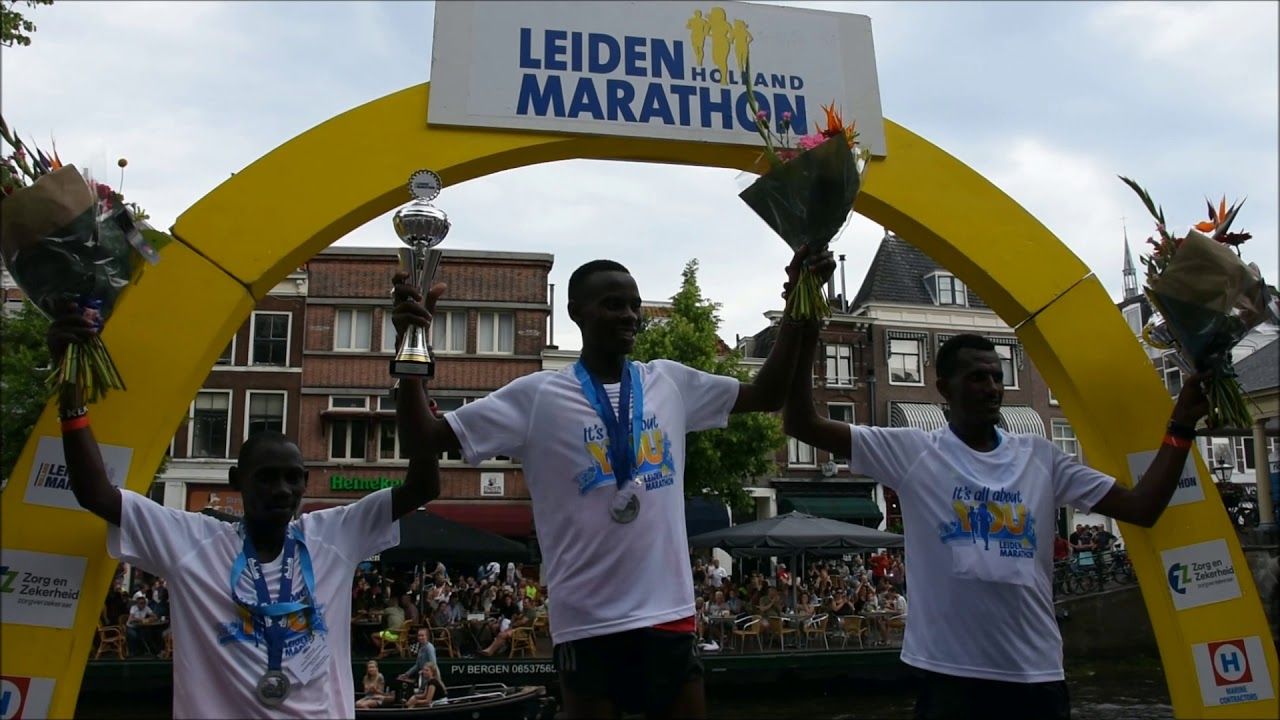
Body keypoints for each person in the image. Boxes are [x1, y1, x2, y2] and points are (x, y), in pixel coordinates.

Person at [391, 249, 834, 719]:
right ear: (576, 312)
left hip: (669, 614)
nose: (628, 315)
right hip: (587, 622)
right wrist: (410, 344)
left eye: (634, 304)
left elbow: (768, 393)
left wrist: (799, 306)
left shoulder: (669, 383)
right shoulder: (537, 397)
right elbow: (423, 437)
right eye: (612, 304)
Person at [783, 331, 1209, 720]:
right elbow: (802, 424)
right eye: (976, 377)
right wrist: (803, 326)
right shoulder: (914, 452)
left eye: (996, 377)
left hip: (1037, 675)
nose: (991, 388)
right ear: (944, 389)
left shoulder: (1040, 457)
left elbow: (1142, 506)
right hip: (951, 677)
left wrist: (1182, 426)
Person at [49, 299, 442, 717]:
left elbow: (422, 486)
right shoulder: (192, 541)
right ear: (237, 481)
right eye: (267, 477)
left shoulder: (332, 535)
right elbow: (96, 493)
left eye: (293, 477)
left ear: (306, 483)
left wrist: (411, 355)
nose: (282, 489)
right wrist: (72, 401)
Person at [126, 591, 159, 657]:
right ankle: (132, 653)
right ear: (137, 603)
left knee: (148, 634)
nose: (143, 605)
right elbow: (131, 619)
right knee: (134, 636)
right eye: (141, 603)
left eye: (144, 603)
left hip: (140, 627)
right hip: (131, 627)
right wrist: (141, 619)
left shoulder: (146, 608)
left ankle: (148, 651)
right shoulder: (133, 608)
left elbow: (155, 616)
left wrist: (149, 619)